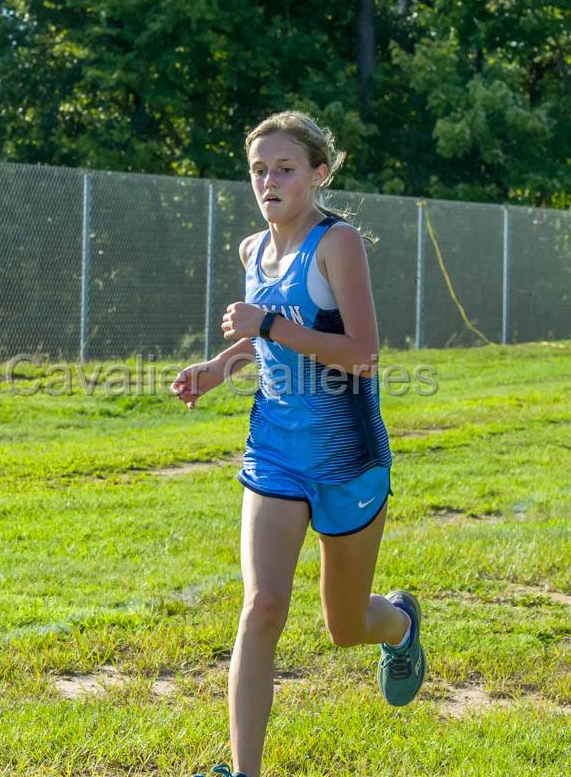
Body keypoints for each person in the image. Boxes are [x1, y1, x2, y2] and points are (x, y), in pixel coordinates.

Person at [172, 111, 426, 777]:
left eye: (284, 168)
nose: (268, 181)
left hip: (347, 460)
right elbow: (264, 337)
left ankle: (399, 627)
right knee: (262, 606)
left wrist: (270, 325)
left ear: (318, 173)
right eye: (258, 169)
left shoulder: (337, 243)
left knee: (344, 625)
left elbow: (363, 353)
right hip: (275, 452)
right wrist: (217, 368)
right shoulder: (252, 249)